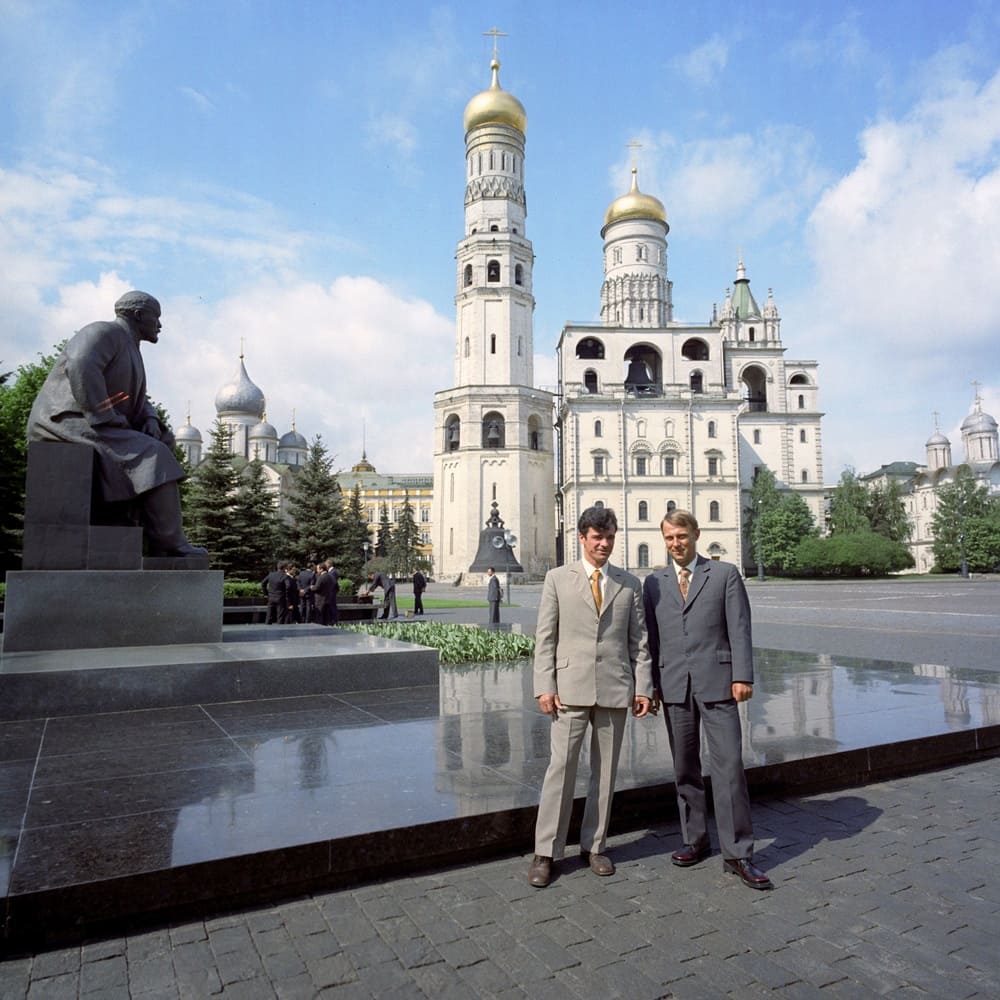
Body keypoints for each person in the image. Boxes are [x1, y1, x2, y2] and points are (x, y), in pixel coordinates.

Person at [642, 509, 773, 891]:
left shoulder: (724, 575)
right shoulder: (653, 583)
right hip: (674, 687)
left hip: (718, 684)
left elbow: (740, 627)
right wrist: (650, 687)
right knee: (685, 768)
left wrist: (742, 675)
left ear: (696, 534)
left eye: (681, 536)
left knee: (729, 766)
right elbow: (650, 639)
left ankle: (738, 854)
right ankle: (695, 839)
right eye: (668, 538)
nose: (675, 544)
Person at [528, 506, 653, 888]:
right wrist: (544, 685)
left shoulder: (629, 583)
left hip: (615, 689)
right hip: (569, 690)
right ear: (582, 537)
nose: (604, 544)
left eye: (610, 537)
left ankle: (594, 846)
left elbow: (641, 642)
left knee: (606, 773)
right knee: (560, 770)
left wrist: (644, 686)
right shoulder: (557, 579)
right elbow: (545, 637)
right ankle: (545, 852)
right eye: (597, 537)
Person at [27, 290, 206, 557]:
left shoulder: (130, 346)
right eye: (155, 317)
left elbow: (137, 397)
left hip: (92, 422)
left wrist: (149, 418)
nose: (159, 324)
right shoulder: (103, 332)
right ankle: (169, 542)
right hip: (65, 421)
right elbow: (81, 365)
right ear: (138, 315)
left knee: (163, 441)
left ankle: (129, 523)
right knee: (153, 455)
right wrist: (104, 415)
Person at [312, 561, 337, 626]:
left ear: (321, 569)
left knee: (319, 618)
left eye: (317, 569)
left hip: (320, 600)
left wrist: (311, 587)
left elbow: (316, 588)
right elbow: (335, 585)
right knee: (326, 618)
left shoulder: (321, 577)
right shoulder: (330, 576)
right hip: (328, 599)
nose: (317, 571)